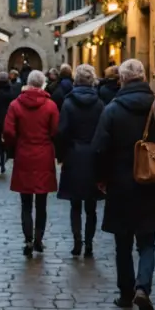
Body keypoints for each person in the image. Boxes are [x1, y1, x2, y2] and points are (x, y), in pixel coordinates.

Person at [92, 59, 155, 310]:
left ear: (122, 79)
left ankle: (126, 293)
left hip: (120, 185)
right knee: (147, 241)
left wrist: (100, 178)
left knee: (123, 242)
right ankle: (143, 287)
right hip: (150, 183)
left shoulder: (111, 110)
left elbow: (99, 148)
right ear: (143, 77)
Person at [3, 70, 59, 256]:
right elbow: (55, 130)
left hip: (24, 155)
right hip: (43, 155)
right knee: (41, 202)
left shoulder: (15, 105)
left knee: (26, 202)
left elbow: (9, 131)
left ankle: (27, 239)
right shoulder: (50, 106)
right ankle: (38, 240)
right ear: (42, 84)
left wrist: (15, 145)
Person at [56, 64, 104, 257]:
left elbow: (61, 132)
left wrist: (62, 154)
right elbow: (103, 132)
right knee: (91, 206)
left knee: (75, 204)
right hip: (93, 157)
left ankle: (77, 241)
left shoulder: (68, 104)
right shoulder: (100, 104)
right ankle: (89, 244)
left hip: (74, 156)